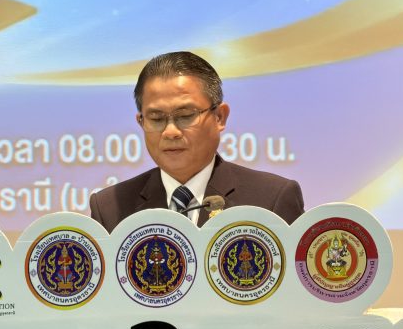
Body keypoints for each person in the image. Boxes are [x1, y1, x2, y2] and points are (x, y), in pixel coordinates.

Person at [89, 51, 305, 232]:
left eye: (185, 116)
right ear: (141, 121)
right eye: (156, 119)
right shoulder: (110, 208)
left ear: (219, 117)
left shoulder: (271, 199)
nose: (170, 132)